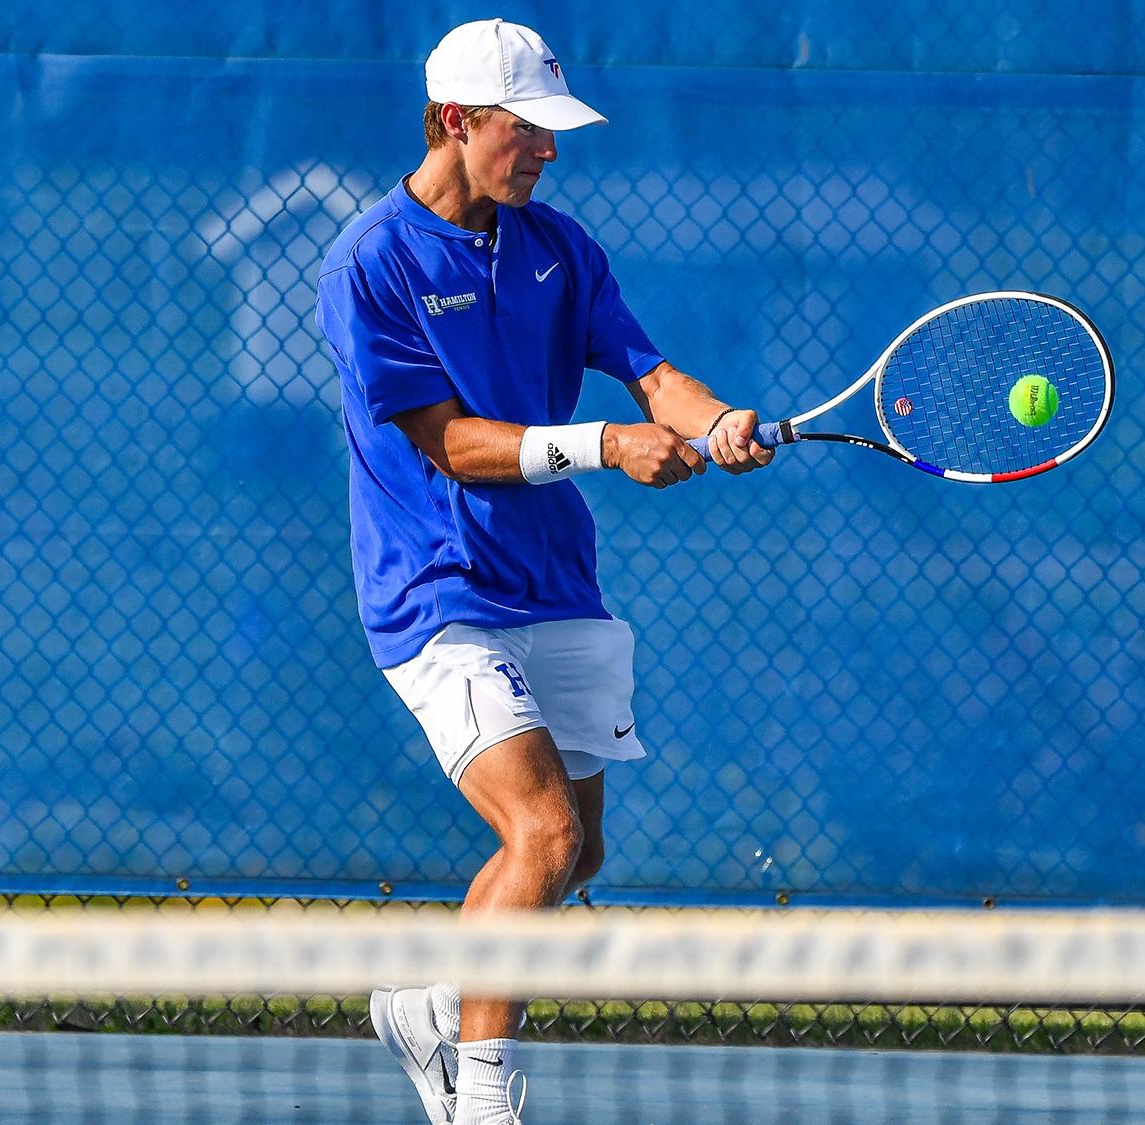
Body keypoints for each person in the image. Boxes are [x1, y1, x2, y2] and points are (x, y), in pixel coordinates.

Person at [314, 18, 773, 1125]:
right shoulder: (369, 263)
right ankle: (484, 1100)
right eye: (527, 133)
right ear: (451, 123)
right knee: (543, 833)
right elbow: (448, 442)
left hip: (556, 582)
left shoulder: (557, 247)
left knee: (576, 853)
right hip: (436, 591)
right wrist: (605, 445)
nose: (549, 154)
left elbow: (649, 374)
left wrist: (716, 422)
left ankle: (434, 1011)